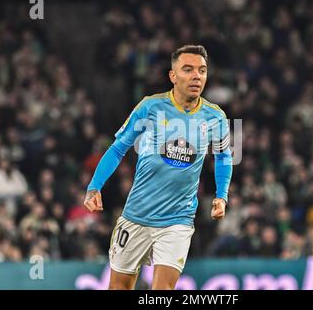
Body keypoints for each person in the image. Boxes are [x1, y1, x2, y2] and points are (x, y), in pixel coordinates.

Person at [83, 45, 233, 290]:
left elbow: (224, 157)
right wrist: (94, 186)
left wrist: (221, 196)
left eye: (202, 71)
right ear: (173, 76)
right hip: (136, 215)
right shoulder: (150, 107)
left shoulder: (215, 117)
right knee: (119, 287)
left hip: (178, 220)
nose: (197, 76)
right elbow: (118, 148)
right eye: (188, 69)